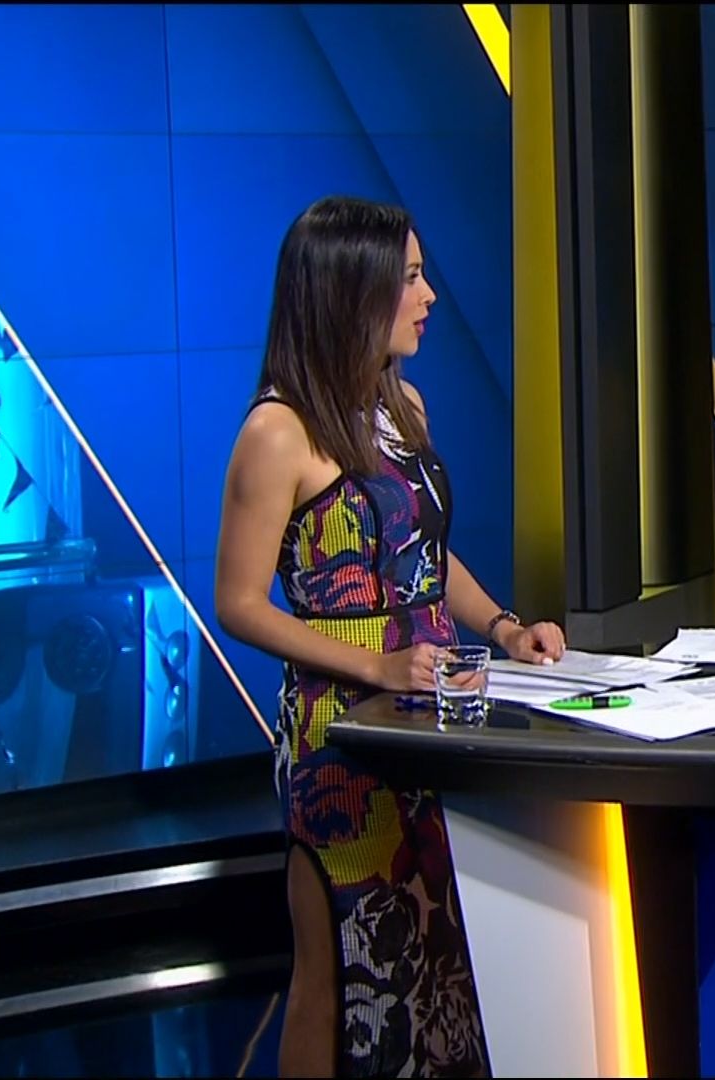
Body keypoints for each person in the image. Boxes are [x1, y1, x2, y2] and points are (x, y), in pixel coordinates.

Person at [215, 196, 566, 1077]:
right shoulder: (277, 431)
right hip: (340, 737)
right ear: (352, 290)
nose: (429, 294)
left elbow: (426, 558)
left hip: (431, 715)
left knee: (440, 960)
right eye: (409, 276)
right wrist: (376, 664)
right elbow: (240, 604)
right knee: (338, 970)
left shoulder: (404, 405)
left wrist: (504, 627)